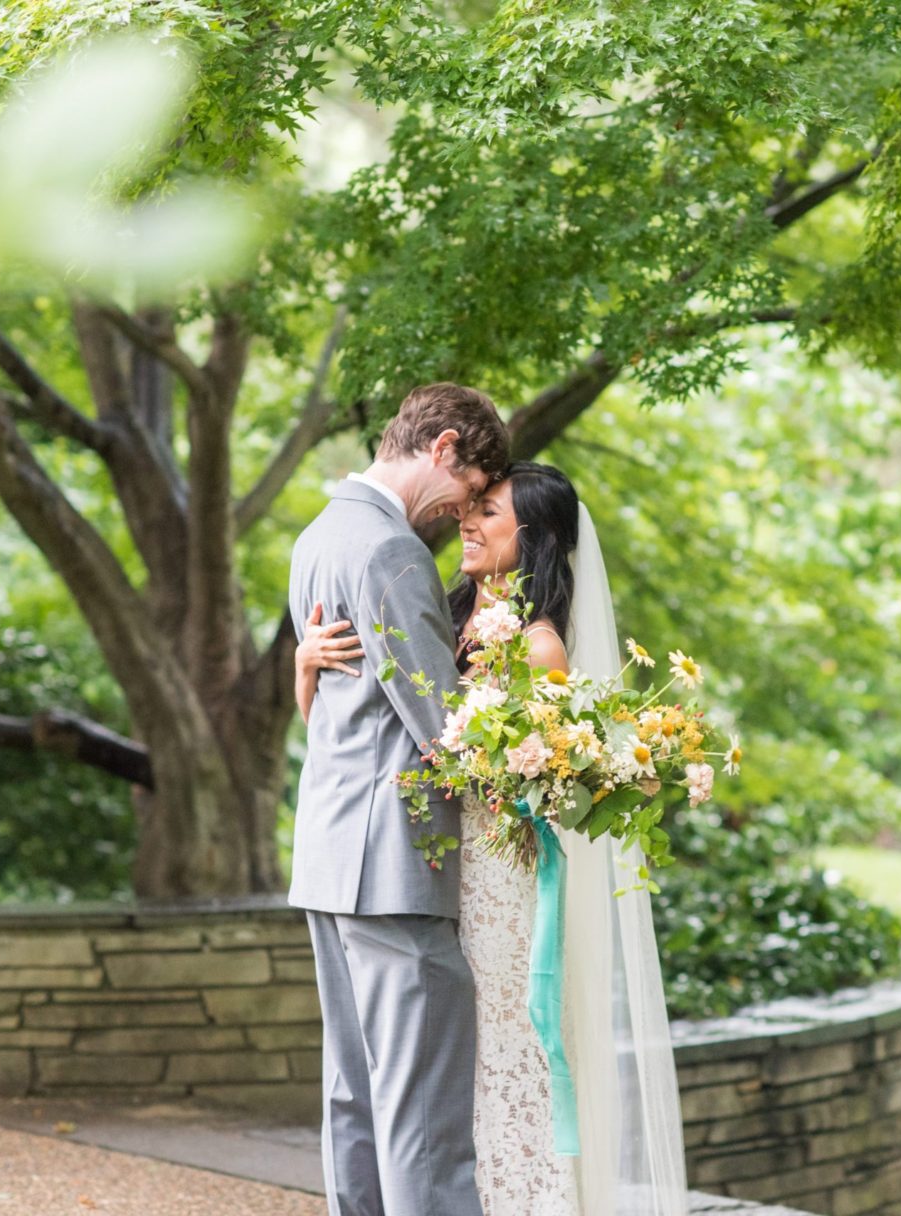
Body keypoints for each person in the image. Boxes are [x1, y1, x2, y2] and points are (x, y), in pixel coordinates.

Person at [296, 461, 690, 1216]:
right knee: (430, 1071)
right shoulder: (435, 616)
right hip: (424, 863)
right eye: (470, 506)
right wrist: (304, 664)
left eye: (490, 512)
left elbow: (536, 784)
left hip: (496, 880)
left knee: (500, 1054)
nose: (466, 521)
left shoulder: (540, 646)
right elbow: (337, 732)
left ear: (533, 537)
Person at [285, 382, 510, 1216]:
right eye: (473, 489)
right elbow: (442, 722)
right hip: (394, 865)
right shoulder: (390, 551)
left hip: (330, 854)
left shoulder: (318, 534)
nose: (466, 512)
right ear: (443, 448)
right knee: (422, 1117)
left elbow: (333, 704)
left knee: (354, 1095)